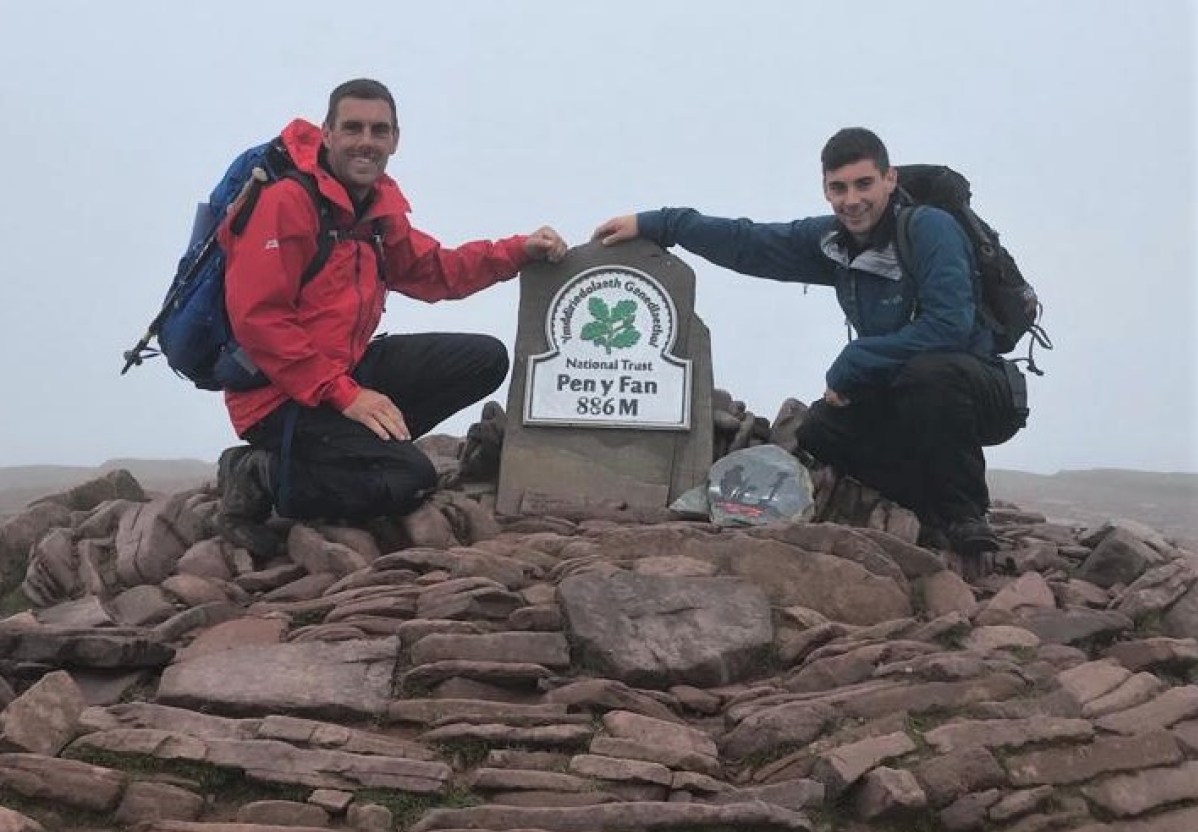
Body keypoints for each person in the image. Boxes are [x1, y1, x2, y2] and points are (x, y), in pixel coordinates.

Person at [592, 127, 1027, 554]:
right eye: (839, 188)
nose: (852, 200)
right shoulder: (834, 242)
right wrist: (660, 224)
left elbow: (949, 326)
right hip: (901, 392)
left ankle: (966, 515)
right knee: (821, 430)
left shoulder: (930, 229)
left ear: (889, 179)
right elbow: (749, 243)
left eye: (864, 184)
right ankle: (927, 509)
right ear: (825, 190)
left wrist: (855, 360)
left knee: (931, 374)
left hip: (976, 388)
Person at [215, 78, 567, 555]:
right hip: (276, 396)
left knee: (485, 358)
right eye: (353, 127)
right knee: (410, 479)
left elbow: (434, 270)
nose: (366, 141)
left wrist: (518, 251)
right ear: (327, 134)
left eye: (379, 130)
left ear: (395, 140)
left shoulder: (377, 211)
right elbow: (259, 320)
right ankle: (260, 473)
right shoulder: (287, 203)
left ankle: (359, 452)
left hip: (342, 371)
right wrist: (345, 396)